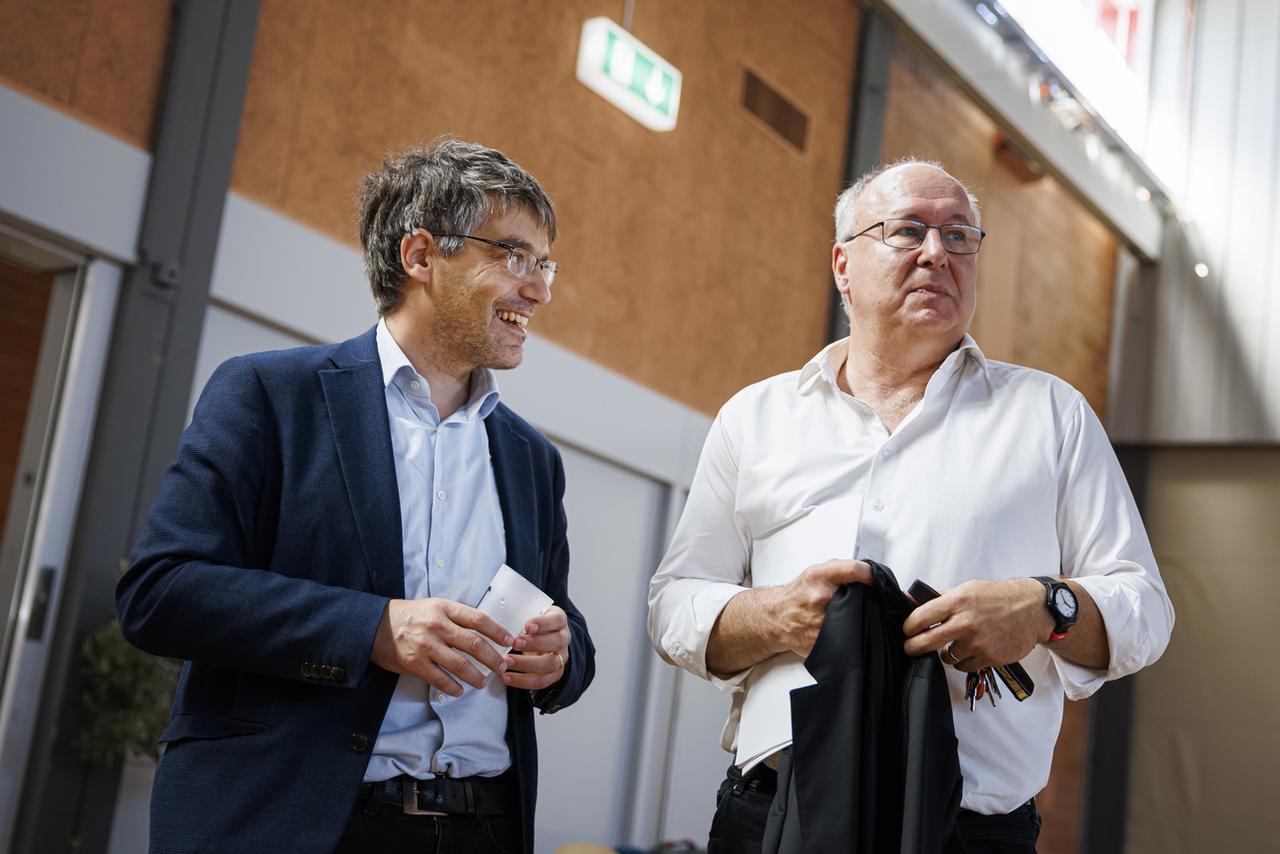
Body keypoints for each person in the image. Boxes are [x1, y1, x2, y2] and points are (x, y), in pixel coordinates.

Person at [647, 158, 1173, 853]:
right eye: (908, 231)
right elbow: (674, 604)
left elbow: (1146, 609)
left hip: (970, 830)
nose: (938, 253)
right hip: (775, 815)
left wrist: (1045, 607)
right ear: (843, 264)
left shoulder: (1051, 416)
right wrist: (778, 616)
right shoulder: (756, 418)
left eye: (960, 236)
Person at [118, 138, 594, 854]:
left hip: (482, 827)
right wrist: (372, 630)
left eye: (544, 264)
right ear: (421, 256)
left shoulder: (531, 459)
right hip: (298, 822)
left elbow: (564, 624)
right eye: (514, 257)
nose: (540, 288)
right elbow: (160, 592)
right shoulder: (269, 396)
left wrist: (560, 657)